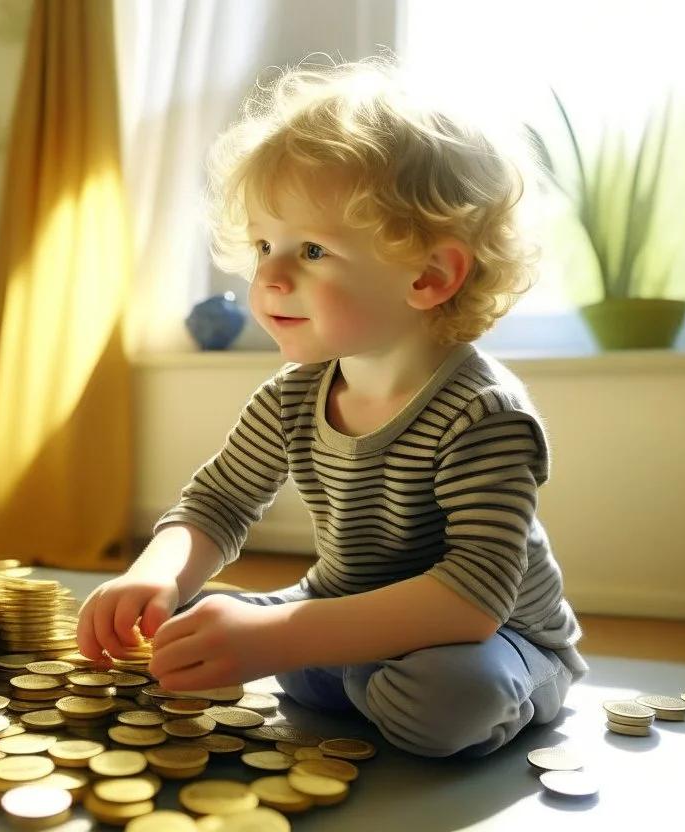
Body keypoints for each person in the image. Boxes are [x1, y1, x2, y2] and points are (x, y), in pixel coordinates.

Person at [76, 56, 587, 758]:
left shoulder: (485, 414)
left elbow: (470, 599)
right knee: (176, 624)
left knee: (445, 698)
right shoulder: (293, 395)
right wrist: (151, 577)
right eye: (264, 244)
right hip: (338, 614)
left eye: (312, 249)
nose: (270, 275)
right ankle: (352, 678)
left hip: (494, 638)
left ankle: (360, 679)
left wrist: (281, 639)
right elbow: (218, 505)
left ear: (430, 276)